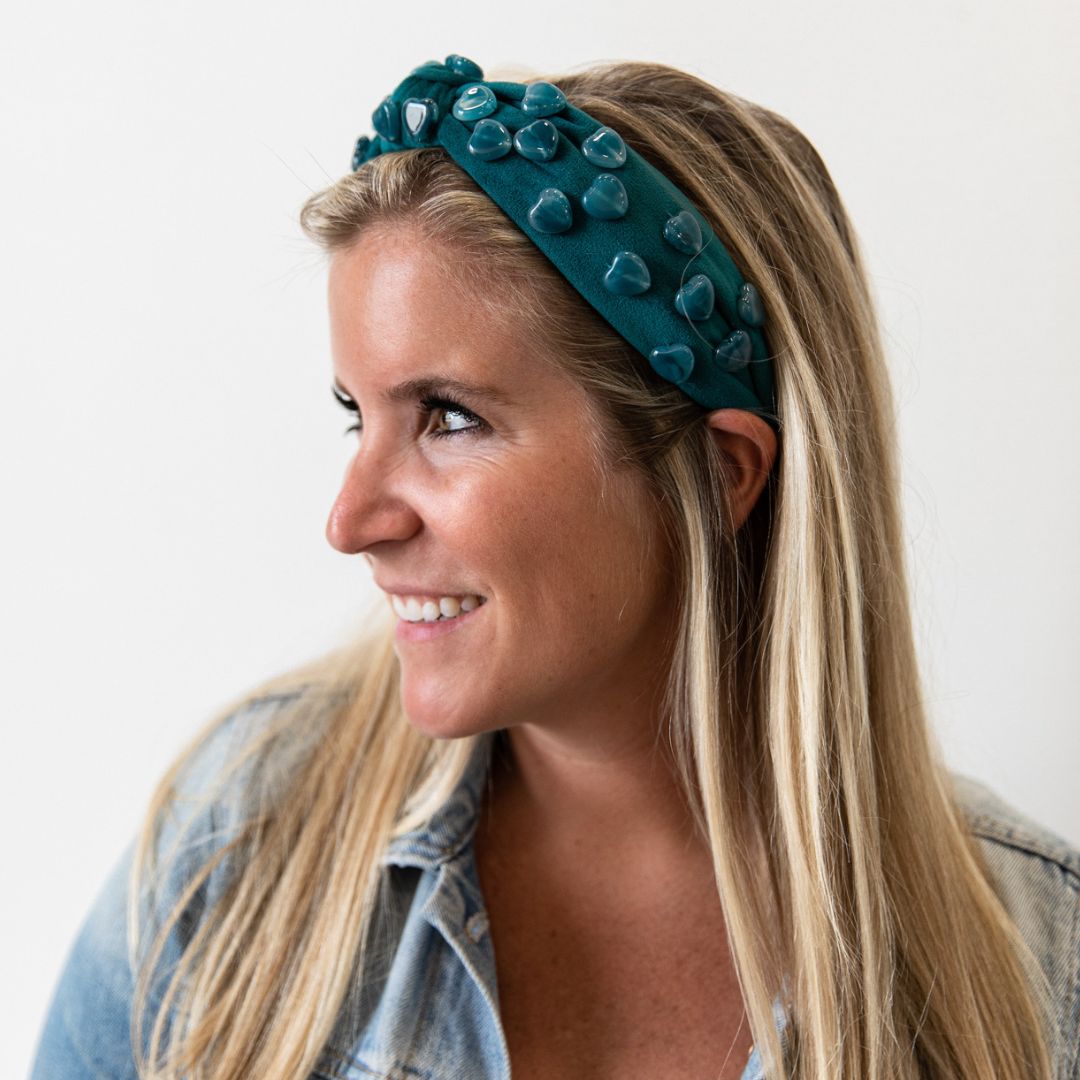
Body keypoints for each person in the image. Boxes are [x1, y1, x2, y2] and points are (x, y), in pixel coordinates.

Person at [29, 53, 1078, 1080]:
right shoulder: (242, 838)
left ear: (720, 473)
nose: (350, 521)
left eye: (448, 417)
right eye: (358, 415)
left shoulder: (1046, 969)